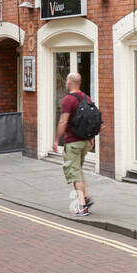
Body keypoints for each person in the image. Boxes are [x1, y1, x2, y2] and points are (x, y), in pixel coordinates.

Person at [53, 72, 94, 216]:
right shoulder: (86, 97)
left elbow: (63, 121)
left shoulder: (68, 100)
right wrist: (91, 138)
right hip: (85, 142)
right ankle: (86, 197)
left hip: (73, 142)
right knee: (78, 169)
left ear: (69, 82)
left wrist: (57, 140)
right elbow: (91, 119)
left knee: (74, 172)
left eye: (66, 81)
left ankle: (82, 206)